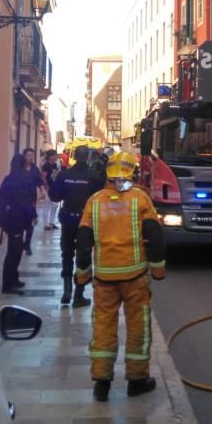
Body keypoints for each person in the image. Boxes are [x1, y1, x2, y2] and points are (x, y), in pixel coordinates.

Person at [75, 151, 166, 402]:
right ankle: (136, 381)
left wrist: (82, 275)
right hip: (135, 278)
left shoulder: (94, 201)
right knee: (138, 328)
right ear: (132, 172)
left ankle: (101, 383)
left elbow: (83, 242)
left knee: (103, 328)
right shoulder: (140, 199)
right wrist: (158, 270)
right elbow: (155, 237)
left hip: (104, 280)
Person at [49, 145, 101, 307]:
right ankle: (79, 294)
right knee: (83, 256)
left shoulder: (64, 175)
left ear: (74, 156)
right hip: (86, 221)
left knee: (67, 254)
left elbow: (55, 197)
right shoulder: (94, 176)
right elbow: (100, 198)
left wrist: (54, 181)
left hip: (68, 220)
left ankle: (67, 291)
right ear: (87, 157)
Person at [0, 154, 39, 294]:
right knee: (14, 252)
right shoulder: (18, 180)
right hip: (16, 220)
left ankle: (13, 279)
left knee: (14, 250)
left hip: (12, 220)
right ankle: (8, 284)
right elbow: (24, 200)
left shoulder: (8, 179)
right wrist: (33, 214)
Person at [20, 148, 45, 256]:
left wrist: (42, 190)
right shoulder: (19, 168)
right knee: (20, 223)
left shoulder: (35, 169)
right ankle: (20, 243)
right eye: (28, 155)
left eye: (32, 155)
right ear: (24, 156)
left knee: (31, 223)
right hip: (19, 200)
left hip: (31, 200)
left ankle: (27, 244)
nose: (30, 157)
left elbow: (39, 181)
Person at [40, 149, 60, 230]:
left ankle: (51, 223)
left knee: (55, 205)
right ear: (50, 156)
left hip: (54, 187)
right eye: (55, 155)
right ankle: (46, 224)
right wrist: (46, 186)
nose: (56, 156)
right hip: (48, 188)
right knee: (47, 205)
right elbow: (43, 177)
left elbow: (55, 175)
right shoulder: (46, 165)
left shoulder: (55, 164)